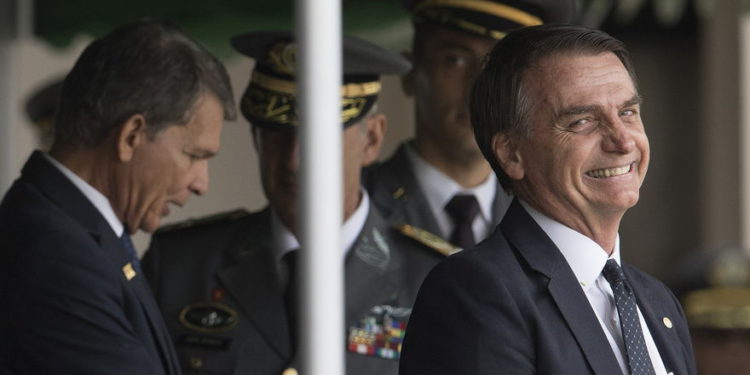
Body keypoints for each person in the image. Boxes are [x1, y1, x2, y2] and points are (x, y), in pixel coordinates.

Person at [399, 24, 697, 375]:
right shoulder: (478, 292)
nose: (622, 141)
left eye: (628, 112)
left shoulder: (657, 300)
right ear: (512, 154)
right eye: (583, 121)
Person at [142, 31, 429, 375]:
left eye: (315, 137)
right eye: (276, 135)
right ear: (255, 139)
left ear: (372, 139)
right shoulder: (181, 266)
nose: (293, 161)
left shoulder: (433, 278)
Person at [0, 19, 236, 374]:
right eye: (194, 155)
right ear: (131, 136)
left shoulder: (77, 237)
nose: (201, 183)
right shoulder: (56, 257)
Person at [365, 0, 579, 256]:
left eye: (500, 69)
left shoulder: (552, 222)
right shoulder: (352, 208)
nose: (478, 89)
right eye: (455, 60)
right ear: (411, 74)